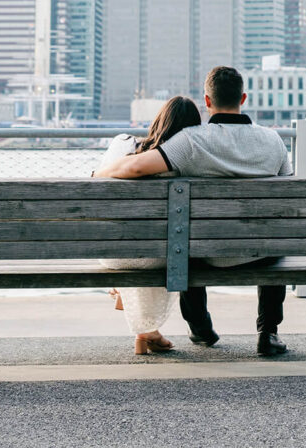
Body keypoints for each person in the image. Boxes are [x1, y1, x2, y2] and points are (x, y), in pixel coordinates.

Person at [97, 66, 293, 357]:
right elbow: (287, 196)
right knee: (272, 238)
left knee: (185, 238)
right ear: (243, 98)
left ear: (207, 101)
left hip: (209, 252)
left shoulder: (191, 141)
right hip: (258, 250)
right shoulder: (273, 141)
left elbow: (136, 167)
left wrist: (98, 172)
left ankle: (200, 328)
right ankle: (268, 333)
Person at [93, 96, 201, 355]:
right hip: (159, 254)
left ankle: (146, 333)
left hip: (110, 253)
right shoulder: (187, 164)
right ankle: (146, 333)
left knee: (136, 239)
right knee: (164, 246)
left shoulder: (122, 145)